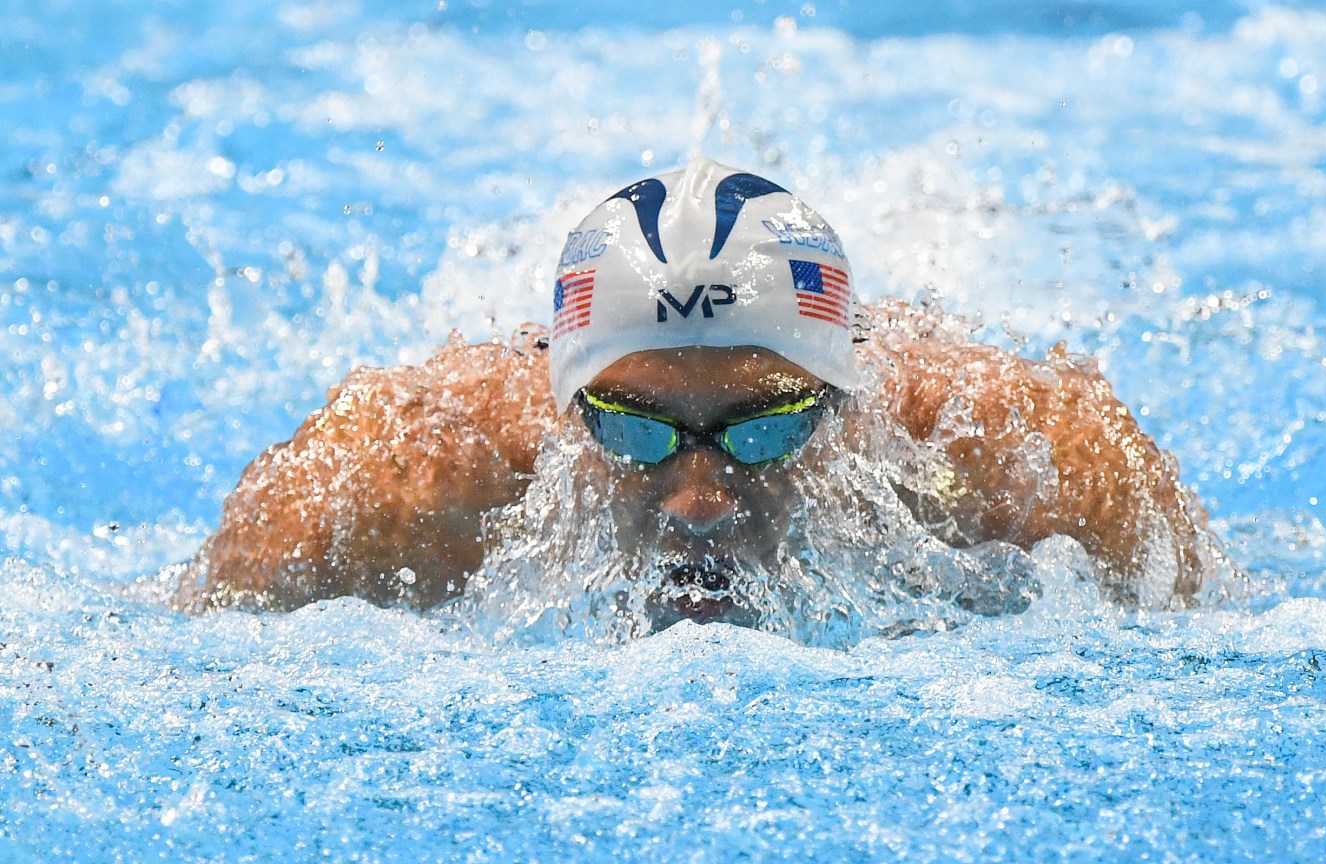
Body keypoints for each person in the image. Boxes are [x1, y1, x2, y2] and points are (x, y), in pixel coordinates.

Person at [173, 157, 1228, 628]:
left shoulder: (1025, 462)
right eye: (634, 432)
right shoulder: (391, 485)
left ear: (844, 404)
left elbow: (1227, 624)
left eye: (765, 430)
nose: (699, 498)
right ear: (563, 403)